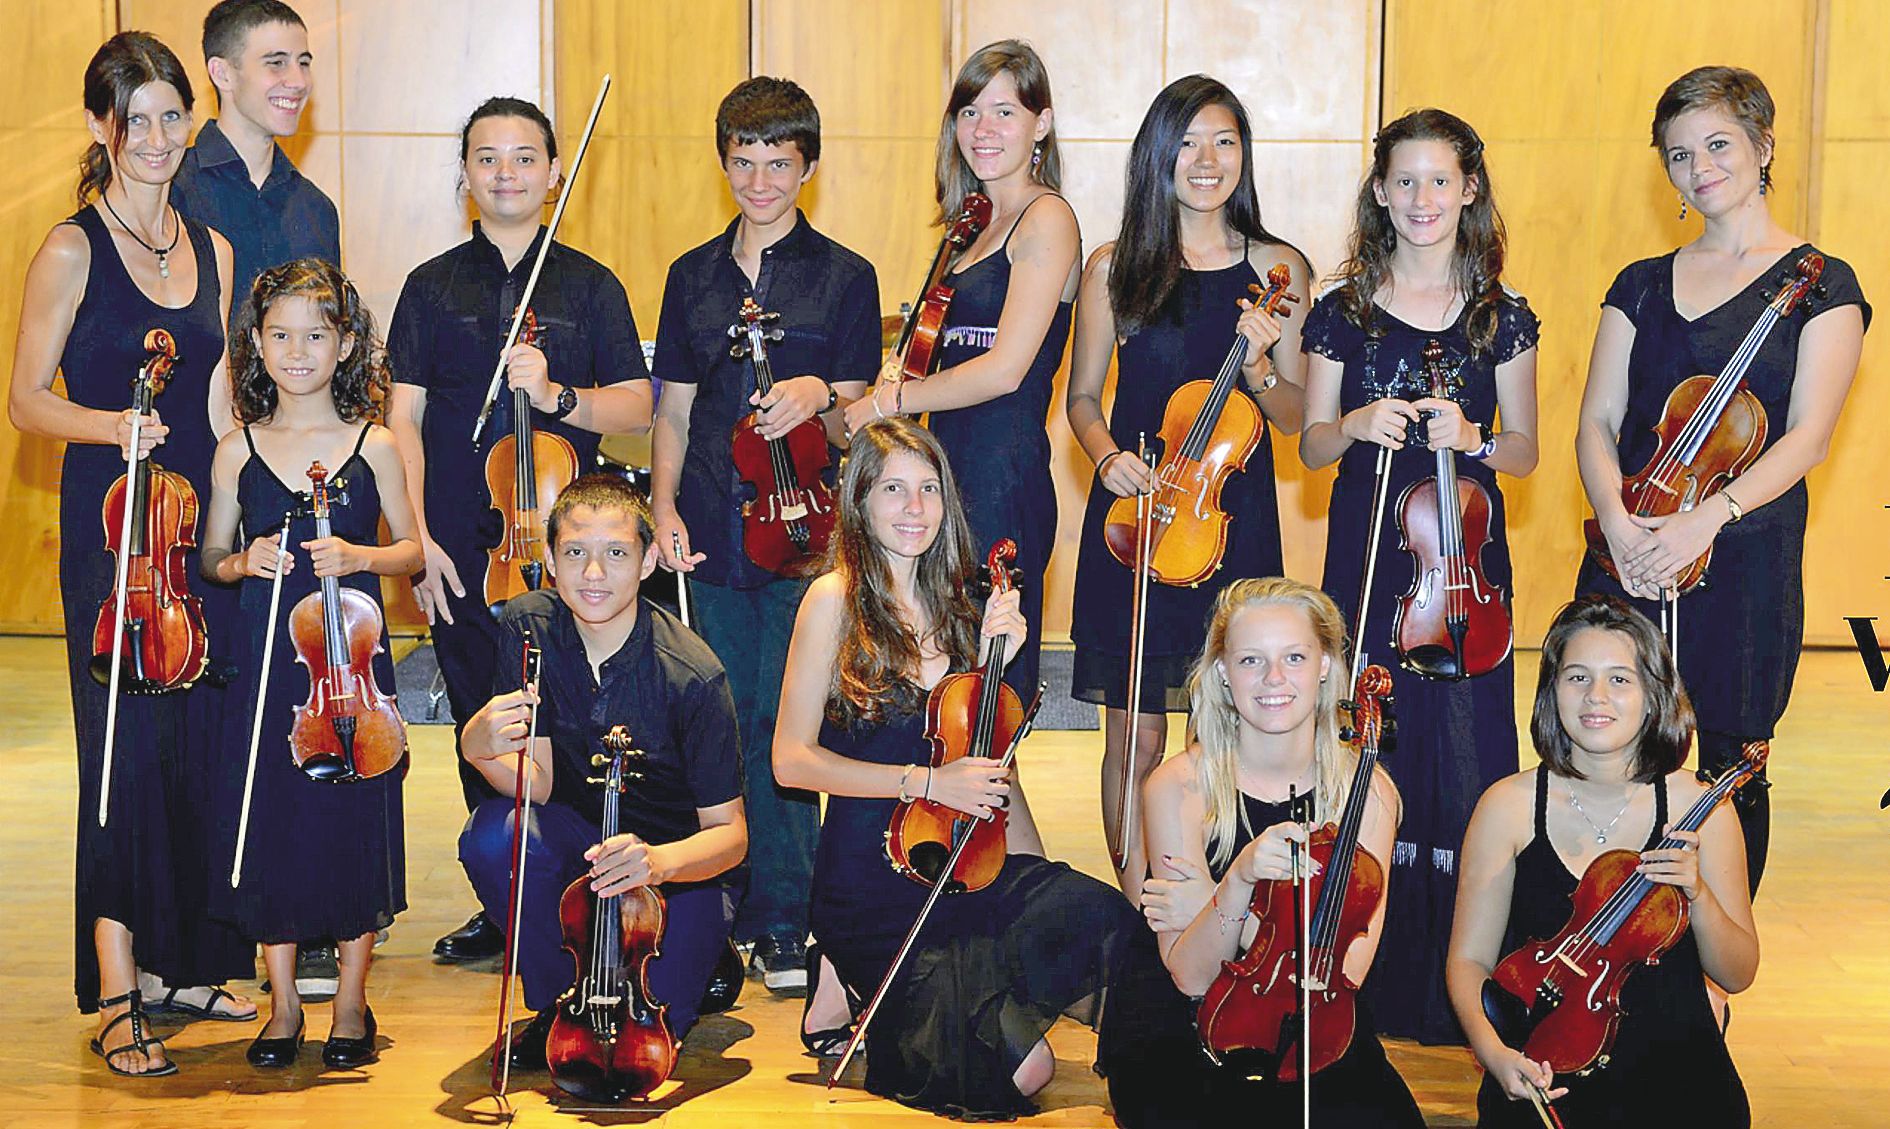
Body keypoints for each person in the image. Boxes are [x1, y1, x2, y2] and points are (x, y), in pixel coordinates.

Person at [776, 418, 1140, 1118]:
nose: (915, 508)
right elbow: (791, 762)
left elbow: (988, 761)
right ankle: (846, 967)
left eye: (929, 489)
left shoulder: (964, 610)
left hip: (963, 868)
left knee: (1103, 919)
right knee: (1024, 1072)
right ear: (859, 500)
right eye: (893, 489)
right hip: (873, 880)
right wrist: (925, 783)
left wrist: (1032, 875)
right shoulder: (833, 602)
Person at [6, 30, 249, 1075]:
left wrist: (255, 489)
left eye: (168, 117)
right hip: (113, 535)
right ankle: (115, 987)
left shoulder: (215, 249)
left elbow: (216, 397)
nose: (154, 138)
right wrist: (113, 428)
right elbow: (25, 398)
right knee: (121, 760)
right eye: (133, 120)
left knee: (196, 744)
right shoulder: (71, 248)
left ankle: (183, 963)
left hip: (195, 529)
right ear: (103, 131)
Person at [1574, 65, 1867, 897]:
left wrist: (1708, 518)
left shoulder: (1825, 286)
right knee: (1608, 745)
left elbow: (1809, 437)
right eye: (1678, 154)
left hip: (1745, 555)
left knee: (1735, 762)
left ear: (1763, 145)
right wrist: (1618, 522)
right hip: (1628, 547)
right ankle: (1604, 952)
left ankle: (1711, 973)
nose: (1699, 166)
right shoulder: (1638, 283)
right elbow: (1596, 423)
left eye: (1717, 144)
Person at [387, 95, 653, 963]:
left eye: (526, 157)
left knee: (579, 721)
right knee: (482, 718)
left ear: (555, 173)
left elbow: (640, 405)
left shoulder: (590, 284)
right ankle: (502, 891)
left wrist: (558, 396)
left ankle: (590, 880)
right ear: (465, 175)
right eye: (489, 158)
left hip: (577, 563)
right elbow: (404, 421)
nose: (507, 173)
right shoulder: (429, 287)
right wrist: (417, 538)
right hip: (467, 550)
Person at [1297, 107, 1540, 1043]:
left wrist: (1475, 437)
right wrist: (1356, 425)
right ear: (1379, 192)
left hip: (1464, 577)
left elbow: (1521, 453)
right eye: (1403, 181)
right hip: (1370, 562)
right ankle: (1367, 968)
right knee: (1376, 743)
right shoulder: (1343, 310)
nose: (1421, 199)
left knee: (1469, 756)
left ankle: (1467, 974)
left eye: (1440, 180)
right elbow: (1314, 442)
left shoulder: (1500, 315)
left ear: (1469, 190)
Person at [651, 77, 878, 988]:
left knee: (791, 720)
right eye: (742, 161)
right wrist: (662, 507)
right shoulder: (690, 275)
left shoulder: (846, 276)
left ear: (807, 167)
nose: (759, 180)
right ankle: (718, 897)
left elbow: (867, 412)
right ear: (724, 164)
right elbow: (672, 411)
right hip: (708, 519)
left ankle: (786, 913)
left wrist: (822, 393)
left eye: (778, 163)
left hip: (805, 535)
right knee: (719, 716)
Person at [1065, 74, 1310, 898]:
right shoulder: (1113, 269)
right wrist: (1104, 457)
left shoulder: (1279, 268)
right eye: (1189, 143)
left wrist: (1267, 361)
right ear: (1158, 155)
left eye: (1225, 142)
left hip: (1232, 527)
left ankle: (1229, 900)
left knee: (1241, 727)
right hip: (1135, 520)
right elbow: (1082, 398)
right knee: (1132, 736)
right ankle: (1141, 909)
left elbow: (1297, 416)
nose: (1207, 161)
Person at [199, 257, 421, 1069]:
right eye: (280, 335)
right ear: (256, 344)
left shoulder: (377, 443)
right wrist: (239, 561)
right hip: (268, 670)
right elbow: (209, 555)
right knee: (271, 831)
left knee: (350, 824)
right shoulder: (237, 449)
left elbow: (410, 550)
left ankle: (354, 999)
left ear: (345, 343)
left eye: (316, 336)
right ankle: (283, 1001)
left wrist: (361, 551)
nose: (298, 351)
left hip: (352, 673)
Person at [172, 0, 347, 1005]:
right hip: (202, 470)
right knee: (204, 706)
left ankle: (287, 912)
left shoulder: (312, 201)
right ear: (220, 73)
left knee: (292, 696)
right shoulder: (178, 179)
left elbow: (323, 334)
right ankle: (202, 936)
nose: (293, 79)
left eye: (305, 62)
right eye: (273, 61)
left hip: (293, 467)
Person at [1105, 577, 1423, 1127]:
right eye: (1251, 660)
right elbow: (1191, 976)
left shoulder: (1368, 795)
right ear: (1223, 673)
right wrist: (1239, 878)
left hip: (1317, 1019)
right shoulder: (1177, 787)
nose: (1274, 679)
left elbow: (1344, 972)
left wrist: (1219, 906)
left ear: (1324, 666)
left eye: (1295, 657)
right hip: (1181, 1025)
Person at [458, 473, 747, 1068]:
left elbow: (732, 837)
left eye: (616, 553)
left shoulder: (693, 672)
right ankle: (555, 1001)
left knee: (638, 1056)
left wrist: (658, 862)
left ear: (646, 564)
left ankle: (703, 953)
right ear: (549, 559)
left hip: (674, 871)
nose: (593, 574)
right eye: (575, 553)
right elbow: (533, 785)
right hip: (579, 850)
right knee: (496, 836)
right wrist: (475, 745)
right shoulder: (527, 627)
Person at [1447, 595, 1758, 1125]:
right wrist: (1495, 1055)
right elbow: (1469, 961)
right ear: (1552, 690)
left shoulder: (1701, 808)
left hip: (1678, 1079)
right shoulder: (1508, 806)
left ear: (1653, 694)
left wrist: (1698, 897)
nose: (1596, 696)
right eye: (1576, 677)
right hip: (1543, 1070)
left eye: (1620, 679)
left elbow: (1738, 972)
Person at [844, 39, 1081, 706]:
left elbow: (1006, 369)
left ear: (1043, 123)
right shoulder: (968, 226)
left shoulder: (1047, 218)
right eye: (970, 112)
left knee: (989, 699)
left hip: (998, 469)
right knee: (947, 694)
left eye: (1005, 112)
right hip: (944, 467)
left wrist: (889, 400)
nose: (984, 130)